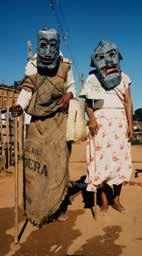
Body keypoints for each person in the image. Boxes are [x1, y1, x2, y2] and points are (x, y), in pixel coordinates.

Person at [10, 28, 76, 226]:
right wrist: (19, 106)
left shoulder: (65, 66)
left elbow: (71, 86)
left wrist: (69, 95)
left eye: (52, 45)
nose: (48, 50)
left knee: (58, 165)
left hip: (58, 122)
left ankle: (60, 205)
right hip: (36, 124)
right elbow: (27, 90)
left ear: (58, 45)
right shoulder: (31, 65)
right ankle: (37, 209)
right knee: (36, 168)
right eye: (43, 45)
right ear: (39, 45)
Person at [80, 40, 133, 213]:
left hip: (119, 122)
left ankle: (116, 200)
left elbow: (127, 102)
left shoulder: (124, 77)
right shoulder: (93, 77)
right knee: (101, 163)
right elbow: (87, 103)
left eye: (112, 55)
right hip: (100, 122)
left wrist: (130, 124)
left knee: (120, 163)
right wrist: (92, 118)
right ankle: (103, 200)